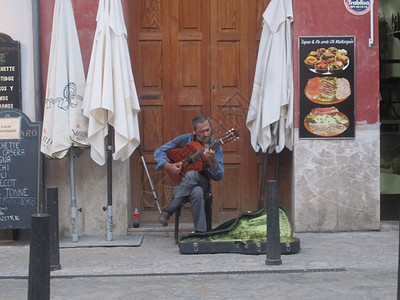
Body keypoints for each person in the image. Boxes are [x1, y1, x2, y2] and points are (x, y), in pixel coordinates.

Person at [154, 114, 224, 232]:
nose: (206, 134)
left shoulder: (215, 146)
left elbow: (219, 176)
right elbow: (159, 151)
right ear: (194, 131)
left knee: (193, 175)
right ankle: (201, 233)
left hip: (203, 182)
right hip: (183, 182)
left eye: (207, 130)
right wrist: (168, 166)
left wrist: (212, 160)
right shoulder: (185, 139)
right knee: (197, 192)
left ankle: (168, 210)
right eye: (201, 132)